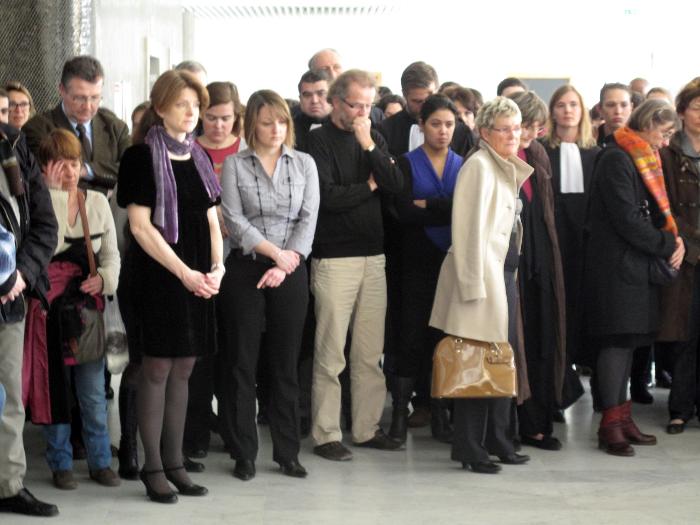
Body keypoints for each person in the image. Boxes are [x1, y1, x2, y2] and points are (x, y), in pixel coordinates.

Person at [117, 69, 222, 503]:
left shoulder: (199, 156)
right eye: (182, 105)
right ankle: (152, 466)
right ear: (160, 108)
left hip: (198, 278)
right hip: (158, 277)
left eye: (196, 106)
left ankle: (175, 462)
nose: (191, 113)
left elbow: (213, 219)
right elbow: (141, 228)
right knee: (156, 369)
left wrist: (217, 269)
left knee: (185, 368)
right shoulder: (140, 157)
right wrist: (185, 273)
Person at [218, 89, 319, 481]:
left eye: (281, 121)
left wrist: (287, 260)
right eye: (266, 122)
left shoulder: (304, 163)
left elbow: (308, 219)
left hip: (291, 268)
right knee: (242, 362)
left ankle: (287, 452)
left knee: (285, 364)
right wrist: (272, 255)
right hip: (245, 267)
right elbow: (234, 219)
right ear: (251, 127)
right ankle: (244, 452)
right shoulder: (234, 165)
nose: (275, 129)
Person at [429, 96, 532, 474]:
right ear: (484, 132)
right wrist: (472, 287)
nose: (511, 135)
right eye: (503, 128)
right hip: (481, 281)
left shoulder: (501, 165)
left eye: (516, 128)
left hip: (503, 276)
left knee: (498, 362)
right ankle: (470, 450)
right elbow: (468, 232)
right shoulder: (479, 166)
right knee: (475, 366)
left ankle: (499, 441)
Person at [307, 69, 404, 461]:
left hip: (373, 256)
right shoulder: (317, 141)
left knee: (369, 352)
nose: (363, 112)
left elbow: (395, 183)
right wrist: (366, 187)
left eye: (369, 105)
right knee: (331, 353)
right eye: (355, 104)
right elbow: (327, 197)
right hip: (334, 258)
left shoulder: (374, 138)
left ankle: (366, 428)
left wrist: (367, 145)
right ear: (335, 101)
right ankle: (326, 433)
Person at [584, 99, 683, 457]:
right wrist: (668, 242)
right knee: (616, 342)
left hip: (632, 268)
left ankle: (622, 417)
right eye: (664, 132)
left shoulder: (639, 155)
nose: (666, 142)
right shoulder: (617, 158)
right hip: (615, 270)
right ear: (649, 123)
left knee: (628, 345)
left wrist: (667, 239)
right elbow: (627, 219)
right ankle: (610, 425)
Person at [24, 129, 120, 490]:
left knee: (93, 393)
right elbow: (42, 251)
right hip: (47, 311)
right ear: (43, 167)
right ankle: (60, 462)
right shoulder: (33, 204)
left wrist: (106, 279)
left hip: (84, 312)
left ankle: (99, 461)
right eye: (59, 164)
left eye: (75, 163)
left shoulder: (96, 202)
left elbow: (111, 254)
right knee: (54, 392)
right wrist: (48, 194)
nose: (68, 171)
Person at [388, 94, 462, 444]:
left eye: (449, 124)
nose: (443, 131)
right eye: (436, 124)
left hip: (451, 261)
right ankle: (400, 415)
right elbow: (403, 213)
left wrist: (430, 203)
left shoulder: (463, 164)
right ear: (422, 126)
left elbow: (464, 212)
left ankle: (442, 414)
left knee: (443, 339)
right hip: (413, 261)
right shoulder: (405, 163)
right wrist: (444, 208)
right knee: (410, 337)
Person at [0, 115, 59, 517]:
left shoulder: (14, 145)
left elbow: (44, 225)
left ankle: (7, 483)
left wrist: (21, 274)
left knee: (8, 397)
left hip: (9, 295)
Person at [508, 91, 567, 451]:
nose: (530, 133)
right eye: (525, 125)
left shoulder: (537, 154)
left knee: (542, 341)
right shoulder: (497, 159)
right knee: (516, 344)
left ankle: (539, 422)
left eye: (535, 126)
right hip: (512, 265)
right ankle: (515, 425)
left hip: (541, 262)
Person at [541, 85, 600, 375]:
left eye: (573, 104)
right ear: (552, 111)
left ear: (582, 110)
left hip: (587, 243)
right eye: (561, 105)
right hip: (553, 240)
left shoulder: (595, 153)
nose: (567, 110)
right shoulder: (542, 152)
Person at [657, 79, 700, 435]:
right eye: (697, 107)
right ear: (683, 111)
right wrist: (688, 240)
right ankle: (680, 407)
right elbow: (665, 203)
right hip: (685, 253)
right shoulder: (669, 151)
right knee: (685, 333)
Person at [24, 55, 130, 195]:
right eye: (79, 98)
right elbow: (50, 178)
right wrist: (107, 190)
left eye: (95, 97)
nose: (87, 106)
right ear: (62, 90)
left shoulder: (115, 127)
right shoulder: (37, 128)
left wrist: (86, 170)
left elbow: (132, 171)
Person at [293, 70, 331, 153]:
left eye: (321, 94)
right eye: (307, 95)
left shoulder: (346, 127)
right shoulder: (288, 129)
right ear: (300, 99)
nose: (314, 101)